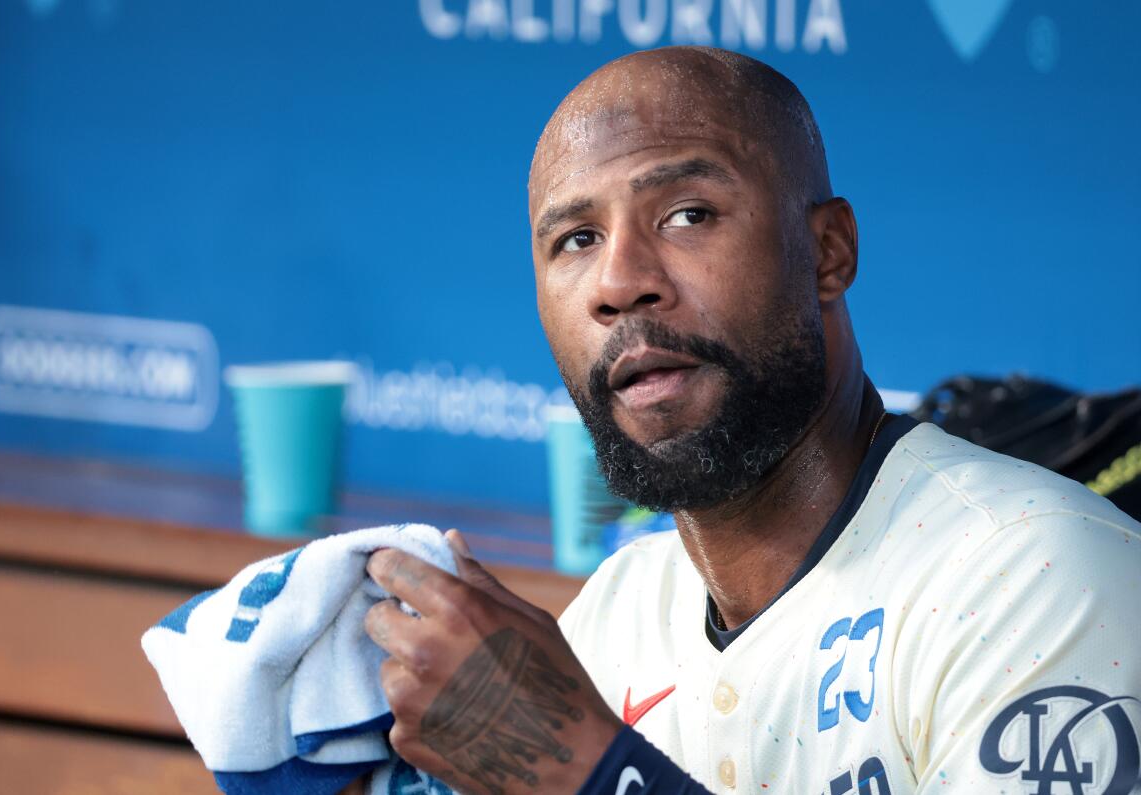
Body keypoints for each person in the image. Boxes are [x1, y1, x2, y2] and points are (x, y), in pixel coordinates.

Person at [363, 46, 1141, 794]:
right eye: (577, 239)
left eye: (688, 214)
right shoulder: (617, 614)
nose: (619, 282)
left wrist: (590, 771)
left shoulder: (1034, 572)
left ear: (828, 251)